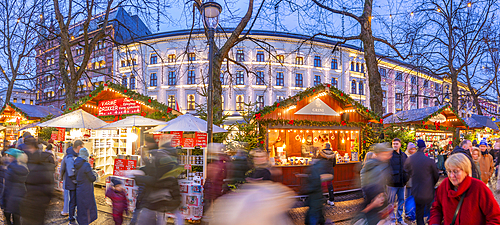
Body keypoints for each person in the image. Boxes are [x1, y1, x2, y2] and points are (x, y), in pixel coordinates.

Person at [429, 153, 500, 224]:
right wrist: (435, 223)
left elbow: (495, 217)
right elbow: (436, 208)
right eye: (449, 171)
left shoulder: (479, 187)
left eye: (455, 171)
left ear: (466, 171)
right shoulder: (444, 186)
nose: (451, 176)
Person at [133, 141, 182, 225]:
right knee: (162, 218)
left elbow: (154, 179)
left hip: (156, 201)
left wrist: (138, 177)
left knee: (151, 218)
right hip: (161, 201)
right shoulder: (172, 165)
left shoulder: (163, 162)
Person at [20, 137, 55, 225]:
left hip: (36, 206)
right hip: (31, 206)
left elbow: (48, 185)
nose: (25, 150)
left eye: (27, 147)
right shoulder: (28, 161)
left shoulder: (39, 162)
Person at [405, 140, 439, 225]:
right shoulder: (429, 161)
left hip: (417, 191)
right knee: (430, 213)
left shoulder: (410, 159)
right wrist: (431, 184)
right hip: (428, 191)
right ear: (424, 148)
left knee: (419, 214)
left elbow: (405, 171)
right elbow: (436, 175)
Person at [3, 148, 28, 225]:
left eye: (10, 156)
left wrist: (2, 199)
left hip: (10, 197)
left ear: (14, 157)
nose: (8, 158)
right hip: (20, 197)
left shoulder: (10, 169)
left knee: (7, 218)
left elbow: (6, 186)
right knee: (17, 219)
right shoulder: (24, 168)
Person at [60, 141, 82, 223]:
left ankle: (68, 212)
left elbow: (62, 168)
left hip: (68, 179)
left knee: (69, 197)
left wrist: (60, 177)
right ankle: (71, 213)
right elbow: (69, 170)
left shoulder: (67, 156)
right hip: (72, 180)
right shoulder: (72, 157)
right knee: (72, 198)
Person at [387, 138, 409, 225]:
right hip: (391, 183)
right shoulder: (389, 155)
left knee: (401, 201)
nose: (395, 145)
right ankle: (392, 220)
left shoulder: (404, 155)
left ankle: (400, 219)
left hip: (402, 183)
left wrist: (406, 177)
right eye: (393, 144)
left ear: (400, 144)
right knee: (391, 203)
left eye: (396, 144)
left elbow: (408, 167)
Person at [75, 148, 98, 225]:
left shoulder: (76, 163)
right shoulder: (86, 165)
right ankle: (85, 222)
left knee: (81, 207)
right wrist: (96, 174)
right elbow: (92, 178)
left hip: (79, 188)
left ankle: (80, 221)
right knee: (87, 207)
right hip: (86, 189)